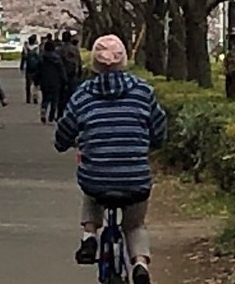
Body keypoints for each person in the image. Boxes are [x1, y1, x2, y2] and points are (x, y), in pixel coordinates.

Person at [54, 34, 166, 284]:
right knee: (135, 225)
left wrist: (63, 143)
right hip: (136, 179)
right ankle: (140, 265)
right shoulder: (143, 92)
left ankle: (90, 236)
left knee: (92, 182)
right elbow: (159, 129)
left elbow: (64, 131)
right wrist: (152, 142)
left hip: (97, 180)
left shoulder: (83, 94)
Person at [38, 32, 66, 123]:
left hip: (44, 80)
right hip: (55, 81)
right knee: (55, 99)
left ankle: (43, 110)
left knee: (45, 98)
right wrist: (64, 80)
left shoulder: (42, 57)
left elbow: (38, 70)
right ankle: (51, 116)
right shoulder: (57, 58)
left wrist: (37, 80)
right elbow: (61, 70)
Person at [60, 29, 83, 100]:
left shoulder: (59, 49)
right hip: (73, 76)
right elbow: (79, 63)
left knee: (61, 98)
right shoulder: (75, 49)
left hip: (61, 77)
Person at [21, 33, 42, 104]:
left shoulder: (26, 48)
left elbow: (23, 58)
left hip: (29, 68)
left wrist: (21, 67)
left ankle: (28, 98)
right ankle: (35, 97)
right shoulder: (37, 48)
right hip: (37, 68)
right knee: (36, 84)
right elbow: (40, 58)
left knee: (28, 84)